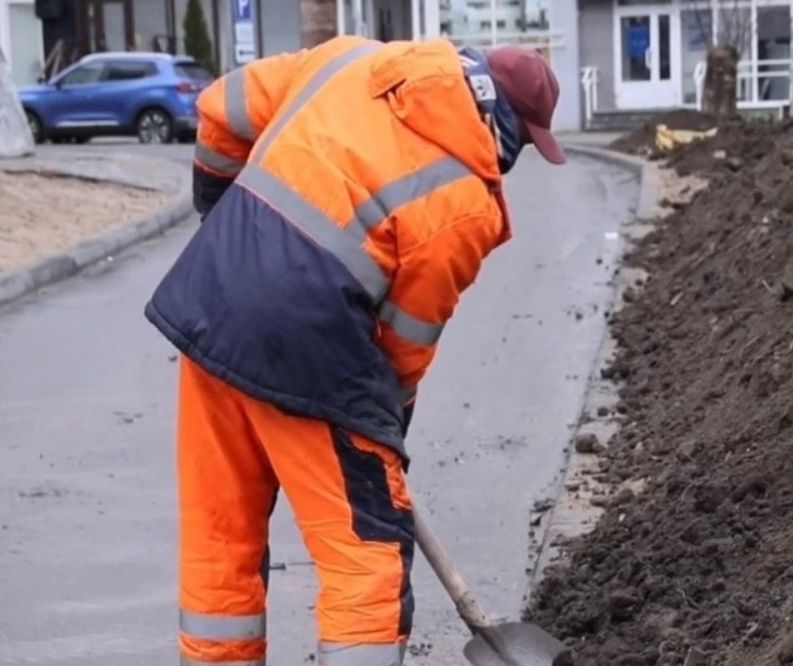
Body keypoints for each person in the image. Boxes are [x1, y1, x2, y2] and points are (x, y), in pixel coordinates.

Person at [144, 35, 565, 666]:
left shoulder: (348, 59)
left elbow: (218, 108)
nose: (515, 157)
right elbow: (404, 342)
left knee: (220, 533)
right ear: (504, 122)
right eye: (526, 141)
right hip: (311, 347)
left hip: (209, 301)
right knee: (365, 551)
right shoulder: (464, 202)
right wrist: (385, 429)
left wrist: (221, 219)